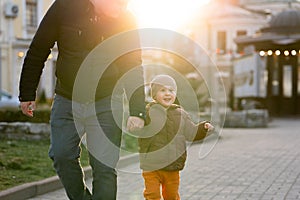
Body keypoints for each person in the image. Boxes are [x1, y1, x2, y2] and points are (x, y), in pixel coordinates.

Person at [19, 0, 145, 199]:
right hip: (67, 99)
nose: (123, 8)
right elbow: (38, 49)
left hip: (107, 102)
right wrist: (27, 93)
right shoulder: (64, 6)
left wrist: (138, 110)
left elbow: (133, 64)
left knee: (104, 167)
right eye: (118, 3)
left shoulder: (126, 19)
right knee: (61, 155)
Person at [137, 74, 214, 200]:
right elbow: (140, 129)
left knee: (172, 196)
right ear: (154, 95)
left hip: (173, 165)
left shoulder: (181, 114)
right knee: (152, 195)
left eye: (171, 90)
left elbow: (191, 133)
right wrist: (137, 122)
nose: (168, 93)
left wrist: (203, 128)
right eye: (163, 90)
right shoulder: (147, 112)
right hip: (152, 166)